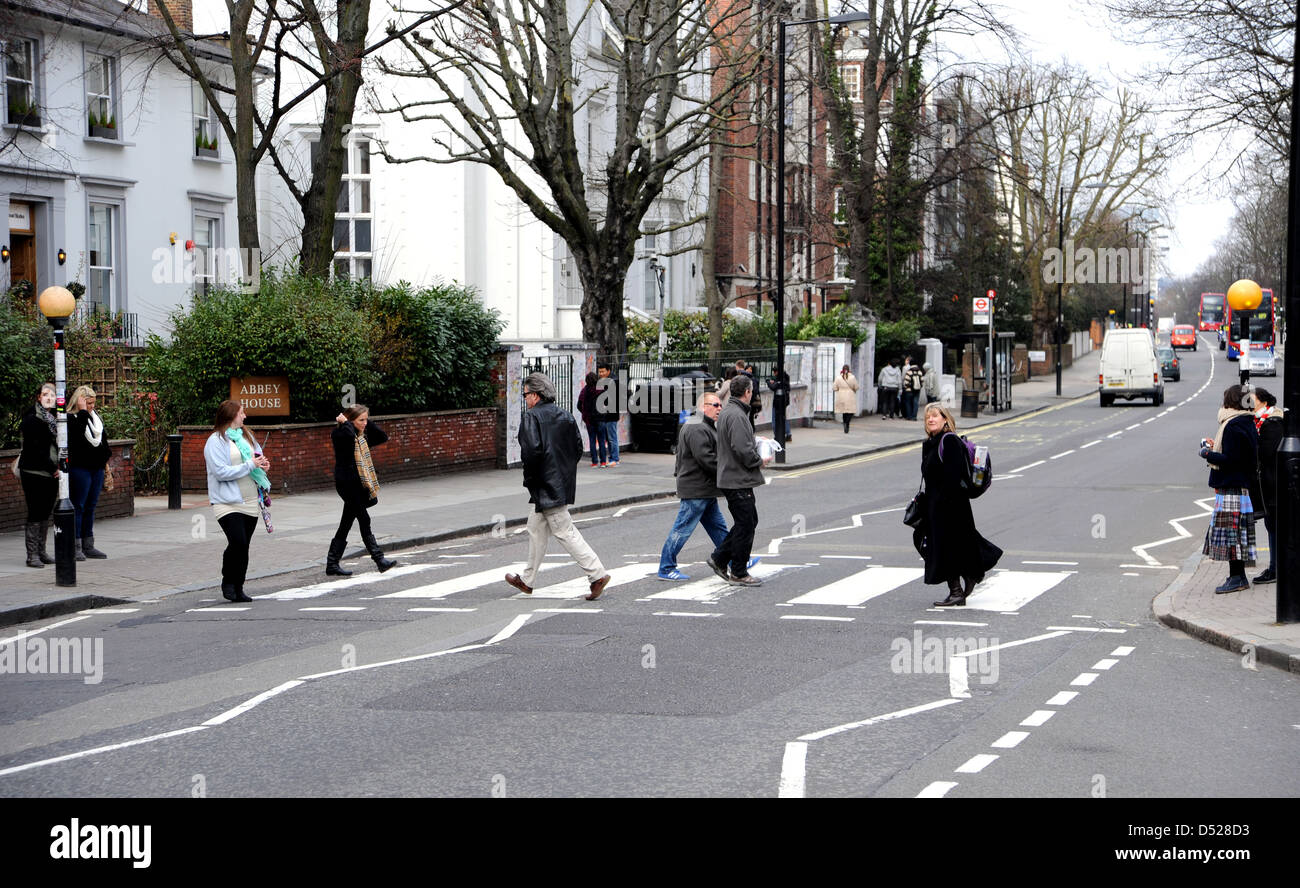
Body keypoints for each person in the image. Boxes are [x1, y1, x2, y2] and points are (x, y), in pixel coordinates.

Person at [505, 372, 611, 600]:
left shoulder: (531, 417)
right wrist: (562, 472)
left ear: (535, 394)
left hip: (545, 485)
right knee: (535, 529)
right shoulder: (565, 415)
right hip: (559, 482)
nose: (525, 399)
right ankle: (527, 580)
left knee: (565, 531)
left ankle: (597, 574)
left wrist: (531, 479)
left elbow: (531, 453)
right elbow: (577, 448)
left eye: (525, 394)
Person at [919, 402, 1002, 606]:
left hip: (951, 506)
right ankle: (968, 578)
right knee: (952, 546)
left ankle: (958, 589)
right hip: (936, 505)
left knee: (948, 548)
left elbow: (954, 477)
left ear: (945, 419)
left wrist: (943, 504)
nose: (930, 419)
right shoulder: (930, 443)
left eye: (935, 416)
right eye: (928, 417)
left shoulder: (949, 441)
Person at [658, 392, 730, 580]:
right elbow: (706, 459)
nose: (719, 409)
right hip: (696, 489)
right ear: (703, 406)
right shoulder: (697, 427)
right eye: (715, 405)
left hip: (704, 489)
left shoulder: (703, 425)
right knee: (681, 530)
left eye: (720, 405)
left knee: (719, 529)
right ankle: (666, 568)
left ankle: (735, 559)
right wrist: (728, 473)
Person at [204, 400, 271, 602]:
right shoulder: (215, 441)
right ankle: (228, 581)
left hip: (250, 499)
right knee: (237, 542)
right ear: (231, 415)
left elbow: (257, 458)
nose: (245, 416)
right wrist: (251, 465)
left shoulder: (246, 436)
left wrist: (262, 465)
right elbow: (220, 472)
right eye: (242, 413)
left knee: (244, 546)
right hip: (226, 502)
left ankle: (239, 587)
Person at [707, 374, 771, 586]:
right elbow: (742, 449)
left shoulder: (728, 412)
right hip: (737, 478)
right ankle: (739, 571)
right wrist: (759, 460)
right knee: (746, 524)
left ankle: (720, 558)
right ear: (747, 392)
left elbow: (738, 442)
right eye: (751, 390)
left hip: (731, 476)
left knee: (747, 522)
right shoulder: (737, 415)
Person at [1199, 384, 1260, 594]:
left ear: (1232, 402)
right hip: (1240, 486)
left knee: (1231, 537)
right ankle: (1238, 576)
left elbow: (1232, 460)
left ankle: (1237, 578)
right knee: (1237, 536)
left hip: (1232, 486)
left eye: (1226, 399)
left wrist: (1208, 454)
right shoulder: (1246, 422)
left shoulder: (1233, 425)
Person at [327, 404, 398, 576]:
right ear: (350, 421)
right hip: (346, 483)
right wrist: (347, 423)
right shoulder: (341, 433)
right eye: (361, 420)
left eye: (366, 419)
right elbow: (348, 436)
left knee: (346, 523)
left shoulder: (361, 438)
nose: (365, 423)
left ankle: (332, 564)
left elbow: (382, 436)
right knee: (364, 519)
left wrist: (364, 420)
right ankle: (379, 559)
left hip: (358, 483)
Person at [67, 385, 111, 561]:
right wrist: (83, 412)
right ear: (80, 401)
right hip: (80, 468)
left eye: (93, 403)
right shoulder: (71, 418)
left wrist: (105, 458)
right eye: (89, 403)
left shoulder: (95, 418)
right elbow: (76, 438)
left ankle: (88, 544)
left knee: (91, 506)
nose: (92, 407)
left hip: (96, 468)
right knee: (79, 506)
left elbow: (102, 439)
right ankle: (75, 545)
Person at [19, 383, 59, 569]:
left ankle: (41, 551)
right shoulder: (32, 419)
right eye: (45, 394)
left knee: (45, 511)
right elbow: (36, 449)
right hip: (35, 471)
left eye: (52, 394)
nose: (49, 397)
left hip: (51, 472)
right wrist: (53, 467)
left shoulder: (55, 418)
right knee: (35, 511)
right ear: (38, 397)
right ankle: (32, 554)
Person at [1252, 388, 1283, 584]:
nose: (1248, 403)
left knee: (1274, 526)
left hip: (1274, 485)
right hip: (1270, 484)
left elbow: (1265, 453)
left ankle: (1275, 569)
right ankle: (1274, 567)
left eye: (1252, 399)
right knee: (1271, 525)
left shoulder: (1272, 423)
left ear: (1263, 402)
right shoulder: (1260, 421)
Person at [594, 362, 621, 467]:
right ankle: (612, 458)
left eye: (603, 371)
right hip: (606, 414)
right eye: (599, 371)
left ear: (608, 371)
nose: (601, 373)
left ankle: (615, 458)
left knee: (612, 437)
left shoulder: (613, 381)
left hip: (611, 413)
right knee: (609, 438)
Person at [577, 371, 605, 467]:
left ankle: (594, 462)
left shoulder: (584, 391)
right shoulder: (601, 390)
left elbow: (579, 405)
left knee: (592, 440)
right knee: (601, 440)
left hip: (589, 419)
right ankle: (603, 462)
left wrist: (585, 413)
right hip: (600, 418)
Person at [767, 367, 791, 442]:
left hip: (778, 402)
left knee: (774, 419)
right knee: (783, 418)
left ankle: (777, 435)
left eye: (774, 372)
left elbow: (773, 387)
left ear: (777, 372)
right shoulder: (786, 378)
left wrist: (768, 382)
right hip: (784, 402)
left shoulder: (780, 380)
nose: (774, 374)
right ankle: (788, 433)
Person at [833, 364, 859, 433]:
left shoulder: (838, 378)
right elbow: (856, 387)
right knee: (850, 411)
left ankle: (845, 423)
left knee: (844, 411)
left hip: (841, 395)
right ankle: (847, 423)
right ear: (849, 369)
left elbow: (834, 388)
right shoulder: (852, 377)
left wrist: (840, 389)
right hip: (850, 395)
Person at [902, 356, 925, 421]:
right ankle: (914, 417)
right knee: (915, 403)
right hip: (917, 390)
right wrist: (919, 387)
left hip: (909, 390)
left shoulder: (909, 372)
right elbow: (922, 381)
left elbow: (906, 382)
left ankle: (909, 416)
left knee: (908, 403)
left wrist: (906, 388)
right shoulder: (920, 372)